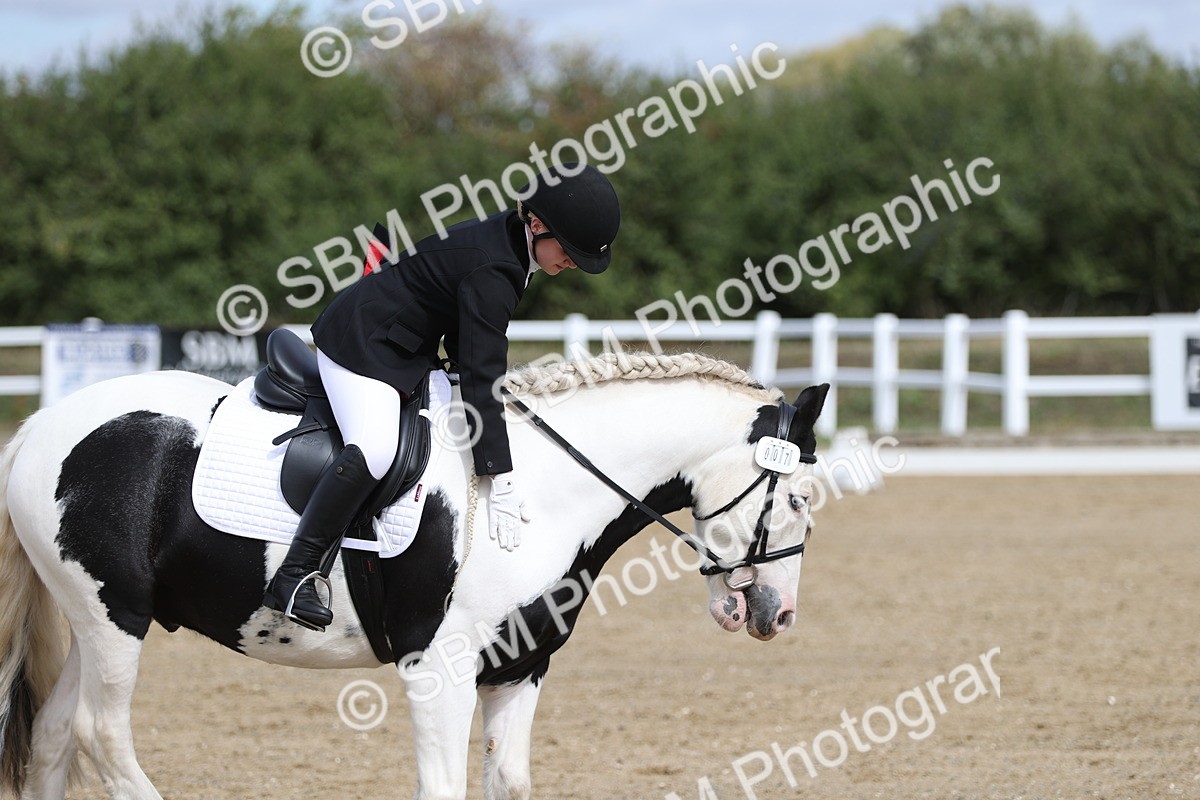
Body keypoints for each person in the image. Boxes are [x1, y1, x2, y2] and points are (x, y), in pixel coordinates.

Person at [263, 163, 621, 631]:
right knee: (374, 448)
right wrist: (501, 475)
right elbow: (481, 377)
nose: (572, 262)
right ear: (536, 224)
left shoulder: (511, 246)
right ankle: (295, 573)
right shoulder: (497, 266)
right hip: (361, 343)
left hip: (405, 346)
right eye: (569, 251)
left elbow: (462, 326)